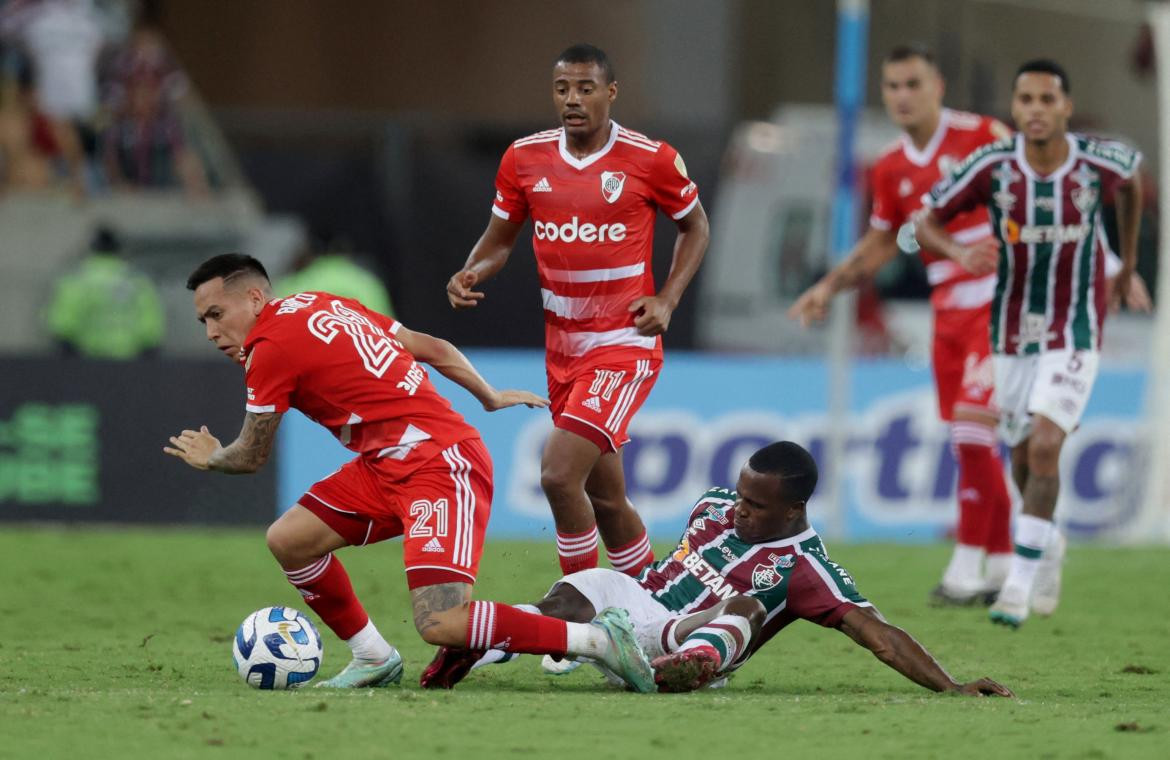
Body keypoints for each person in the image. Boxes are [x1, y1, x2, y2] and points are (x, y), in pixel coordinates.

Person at [164, 253, 659, 691]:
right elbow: (434, 346)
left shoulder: (268, 348)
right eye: (204, 320)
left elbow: (251, 455)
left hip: (439, 464)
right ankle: (373, 657)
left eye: (216, 314)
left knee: (441, 622)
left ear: (254, 298)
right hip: (384, 467)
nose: (210, 332)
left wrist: (212, 455)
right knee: (288, 539)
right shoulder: (322, 303)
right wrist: (488, 395)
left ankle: (598, 639)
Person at [421, 441, 1014, 697]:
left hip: (684, 637)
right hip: (633, 611)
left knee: (748, 608)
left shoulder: (806, 568)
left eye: (756, 505)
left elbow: (877, 633)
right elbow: (653, 565)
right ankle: (482, 643)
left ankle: (685, 668)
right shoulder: (713, 506)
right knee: (581, 590)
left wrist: (952, 685)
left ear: (795, 510)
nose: (740, 510)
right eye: (740, 495)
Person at [446, 43, 709, 581]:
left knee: (557, 475)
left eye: (586, 88)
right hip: (563, 348)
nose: (572, 99)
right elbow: (499, 241)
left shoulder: (650, 158)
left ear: (610, 93)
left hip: (624, 343)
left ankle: (578, 614)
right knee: (607, 500)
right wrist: (472, 270)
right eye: (563, 88)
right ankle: (652, 607)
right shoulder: (523, 158)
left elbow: (696, 226)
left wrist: (668, 298)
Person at [915, 59, 1142, 628]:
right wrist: (960, 252)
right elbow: (924, 221)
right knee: (1020, 454)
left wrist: (1127, 261)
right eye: (1026, 100)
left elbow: (1134, 181)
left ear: (1065, 106)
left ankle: (1016, 582)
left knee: (1044, 446)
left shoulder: (1097, 163)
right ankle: (1050, 545)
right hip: (1012, 332)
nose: (1036, 110)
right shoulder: (992, 166)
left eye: (1047, 99)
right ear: (1014, 109)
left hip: (1077, 330)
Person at [45, 226, 165, 359]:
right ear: (118, 249)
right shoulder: (137, 281)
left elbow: (62, 325)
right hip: (130, 363)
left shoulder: (76, 281)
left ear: (92, 249)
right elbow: (151, 325)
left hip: (85, 361)